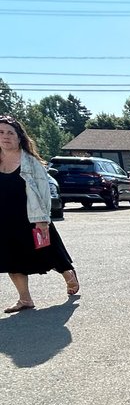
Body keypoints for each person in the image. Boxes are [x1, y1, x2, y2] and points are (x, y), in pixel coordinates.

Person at [0, 114, 79, 314]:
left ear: (19, 138)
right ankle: (25, 299)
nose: (5, 136)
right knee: (11, 257)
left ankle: (68, 273)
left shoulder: (30, 163)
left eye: (10, 133)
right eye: (1, 132)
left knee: (49, 250)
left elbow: (44, 192)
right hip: (5, 219)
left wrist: (43, 219)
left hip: (32, 216)